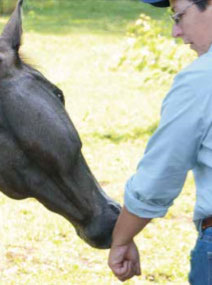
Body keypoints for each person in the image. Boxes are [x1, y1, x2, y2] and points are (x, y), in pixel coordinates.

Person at [108, 0, 212, 283]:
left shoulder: (202, 79)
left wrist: (121, 239)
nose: (175, 32)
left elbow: (160, 177)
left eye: (179, 16)